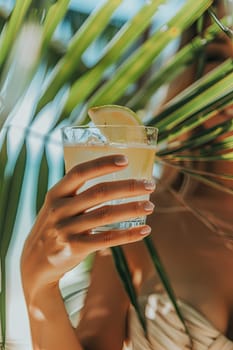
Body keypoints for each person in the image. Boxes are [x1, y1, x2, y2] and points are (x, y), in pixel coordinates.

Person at [20, 3, 233, 350]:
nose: (229, 78)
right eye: (214, 58)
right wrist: (38, 290)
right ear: (188, 78)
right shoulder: (138, 220)